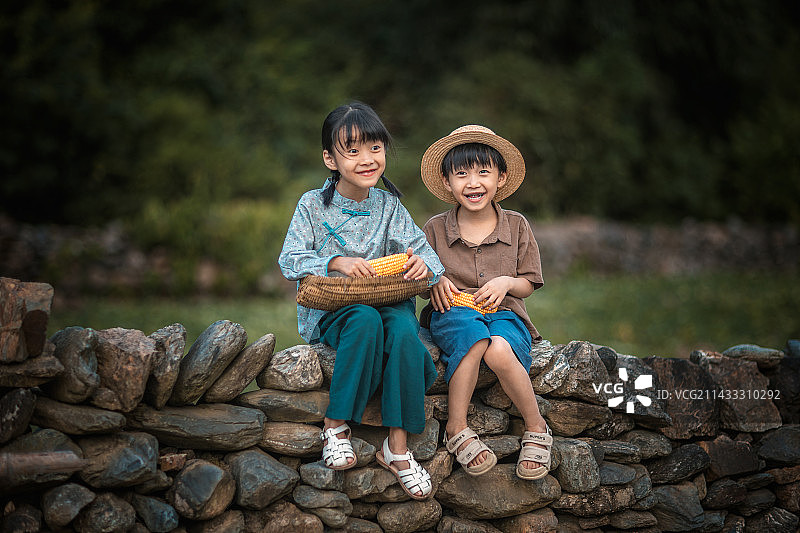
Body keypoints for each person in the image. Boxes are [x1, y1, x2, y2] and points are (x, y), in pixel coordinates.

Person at [278, 102, 444, 500]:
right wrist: (336, 260)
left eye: (375, 148)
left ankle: (397, 449)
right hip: (336, 308)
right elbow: (290, 259)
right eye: (352, 151)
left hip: (390, 300)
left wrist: (424, 265)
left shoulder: (390, 207)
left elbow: (427, 255)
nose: (367, 159)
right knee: (365, 321)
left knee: (406, 333)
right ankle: (335, 425)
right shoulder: (313, 206)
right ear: (330, 159)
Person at [419, 125, 552, 480]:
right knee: (474, 339)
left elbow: (529, 283)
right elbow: (419, 275)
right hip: (453, 312)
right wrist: (435, 279)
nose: (473, 182)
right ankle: (457, 427)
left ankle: (536, 426)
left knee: (500, 349)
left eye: (483, 172)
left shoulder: (517, 225)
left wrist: (508, 281)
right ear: (447, 182)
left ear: (500, 177)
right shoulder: (434, 228)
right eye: (461, 174)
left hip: (504, 312)